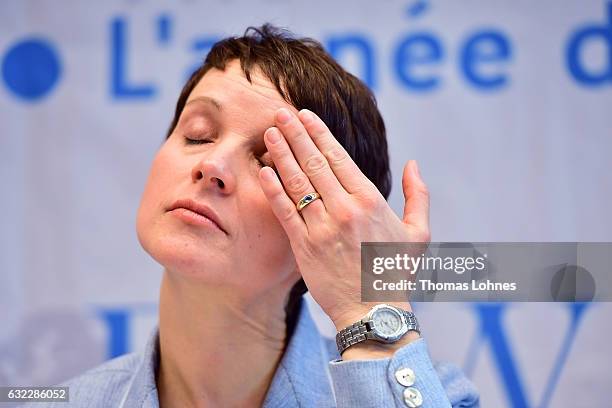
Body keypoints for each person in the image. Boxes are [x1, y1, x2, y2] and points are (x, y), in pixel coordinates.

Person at [29, 24, 479, 407]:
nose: (211, 167)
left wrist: (371, 312)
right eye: (198, 134)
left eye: (269, 162)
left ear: (329, 229)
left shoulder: (430, 392)